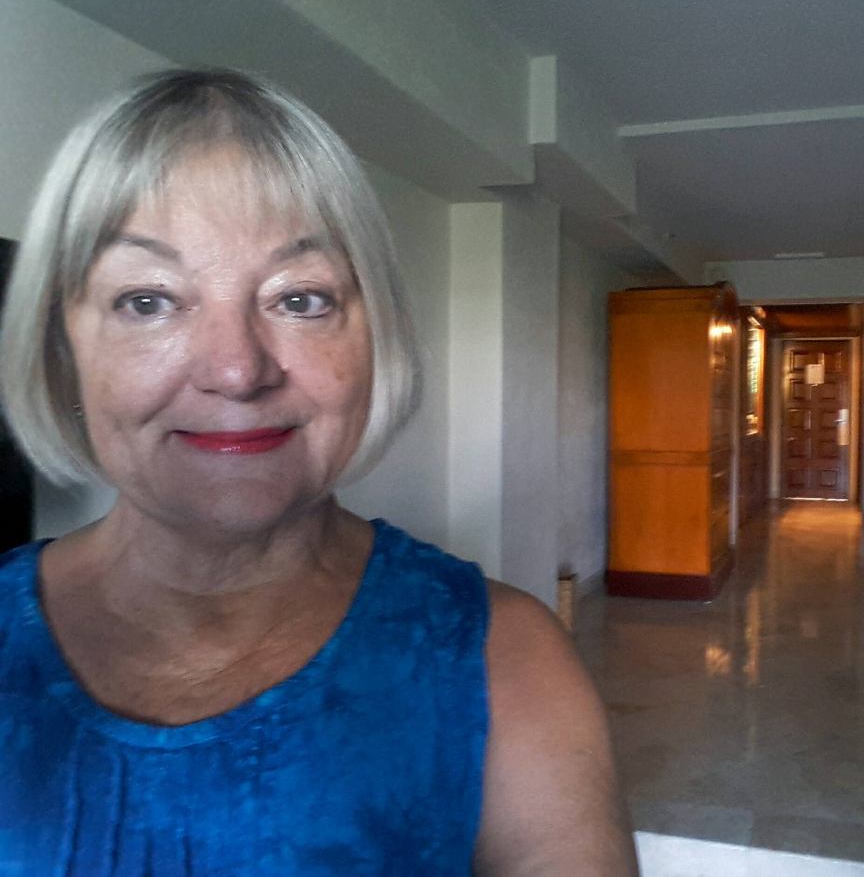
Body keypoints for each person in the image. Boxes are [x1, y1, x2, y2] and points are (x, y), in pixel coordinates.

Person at [0, 68, 638, 875]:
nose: (237, 370)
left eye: (299, 299)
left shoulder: (503, 659)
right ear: (64, 345)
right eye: (149, 301)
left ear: (375, 338)